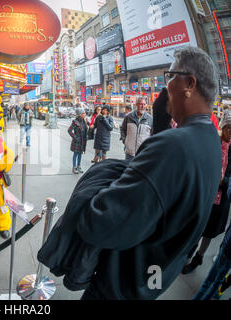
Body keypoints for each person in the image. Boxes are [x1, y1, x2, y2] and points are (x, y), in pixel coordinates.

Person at [76, 46, 222, 300]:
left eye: (170, 76)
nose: (165, 88)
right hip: (153, 281)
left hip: (118, 287)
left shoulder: (172, 146)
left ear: (189, 83)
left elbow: (99, 223)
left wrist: (95, 184)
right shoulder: (210, 139)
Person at [182, 115, 231, 274]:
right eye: (228, 127)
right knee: (196, 226)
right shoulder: (213, 143)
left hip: (221, 200)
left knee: (209, 231)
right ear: (222, 128)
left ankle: (198, 257)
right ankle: (187, 254)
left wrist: (223, 182)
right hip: (204, 193)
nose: (230, 131)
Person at [193, 223, 231, 300]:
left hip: (226, 250)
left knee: (209, 281)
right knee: (219, 280)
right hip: (228, 254)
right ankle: (208, 297)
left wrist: (223, 243)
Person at [68, 108, 88, 174]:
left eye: (84, 113)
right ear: (79, 114)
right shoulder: (75, 122)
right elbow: (69, 130)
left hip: (83, 140)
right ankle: (74, 167)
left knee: (80, 154)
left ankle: (79, 166)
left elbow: (86, 130)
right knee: (76, 154)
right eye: (83, 113)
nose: (84, 114)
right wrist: (75, 137)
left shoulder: (84, 121)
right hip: (77, 141)